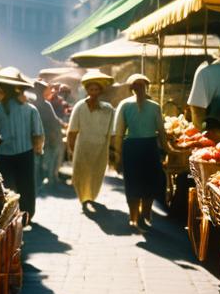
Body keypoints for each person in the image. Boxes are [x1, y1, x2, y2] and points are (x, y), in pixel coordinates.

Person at [0, 67, 44, 223]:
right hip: (25, 153)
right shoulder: (30, 109)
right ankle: (27, 216)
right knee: (27, 186)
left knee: (6, 187)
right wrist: (38, 150)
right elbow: (37, 134)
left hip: (4, 154)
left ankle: (9, 217)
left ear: (2, 88)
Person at [111, 73, 167, 230]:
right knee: (132, 184)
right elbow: (119, 132)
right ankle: (133, 217)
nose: (139, 88)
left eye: (142, 85)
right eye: (136, 85)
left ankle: (146, 215)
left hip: (150, 147)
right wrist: (117, 154)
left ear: (146, 87)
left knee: (149, 184)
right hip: (132, 147)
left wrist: (168, 149)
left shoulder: (155, 107)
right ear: (131, 88)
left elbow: (161, 132)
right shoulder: (124, 105)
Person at [67, 70, 115, 212]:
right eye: (91, 89)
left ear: (100, 91)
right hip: (82, 147)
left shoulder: (108, 109)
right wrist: (72, 150)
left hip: (100, 148)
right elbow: (72, 131)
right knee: (80, 174)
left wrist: (113, 151)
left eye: (96, 89)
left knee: (96, 174)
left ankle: (91, 196)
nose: (93, 92)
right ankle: (83, 198)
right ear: (87, 90)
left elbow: (111, 133)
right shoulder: (80, 107)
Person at [33, 81, 65, 191]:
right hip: (47, 136)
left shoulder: (32, 104)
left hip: (36, 136)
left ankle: (40, 182)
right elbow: (54, 120)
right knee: (48, 159)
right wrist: (63, 125)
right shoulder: (46, 104)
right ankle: (50, 180)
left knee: (38, 160)